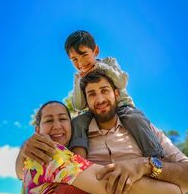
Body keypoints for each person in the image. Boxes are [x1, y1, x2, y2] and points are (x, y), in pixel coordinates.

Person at [18, 100, 185, 194]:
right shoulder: (48, 153)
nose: (57, 126)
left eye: (63, 119)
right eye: (49, 120)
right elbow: (109, 184)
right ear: (37, 130)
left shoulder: (69, 156)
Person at [64, 30, 164, 159]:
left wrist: (100, 66)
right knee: (78, 122)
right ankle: (78, 160)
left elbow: (121, 83)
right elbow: (79, 105)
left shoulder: (109, 62)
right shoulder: (79, 77)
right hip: (96, 111)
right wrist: (78, 81)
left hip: (122, 106)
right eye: (74, 59)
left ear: (95, 51)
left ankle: (155, 155)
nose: (80, 62)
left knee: (135, 119)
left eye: (84, 55)